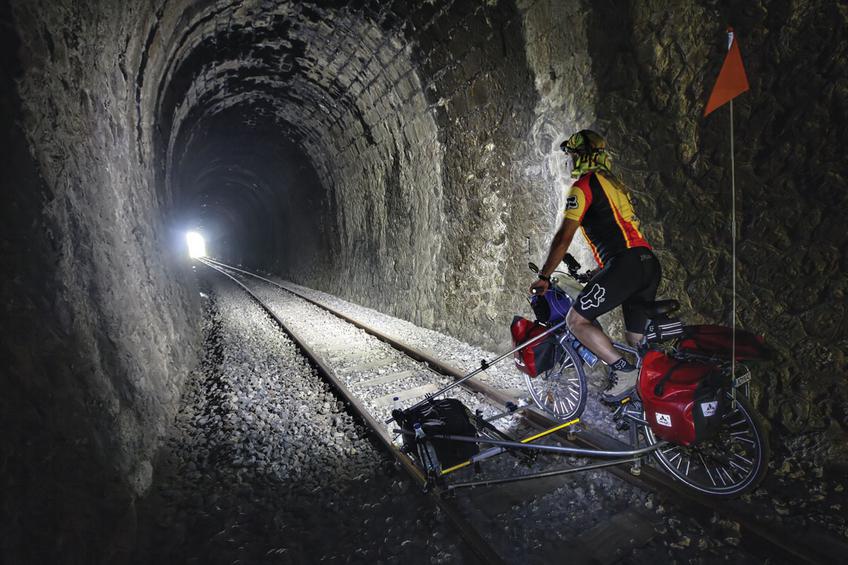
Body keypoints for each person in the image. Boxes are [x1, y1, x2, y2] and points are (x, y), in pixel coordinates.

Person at [529, 130, 662, 403]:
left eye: (571, 156)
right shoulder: (615, 185)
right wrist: (602, 272)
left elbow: (563, 238)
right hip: (647, 264)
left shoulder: (584, 186)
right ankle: (654, 398)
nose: (569, 161)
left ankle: (623, 372)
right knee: (637, 339)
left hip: (625, 265)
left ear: (580, 157)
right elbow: (624, 237)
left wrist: (544, 276)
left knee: (576, 321)